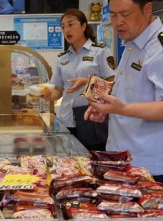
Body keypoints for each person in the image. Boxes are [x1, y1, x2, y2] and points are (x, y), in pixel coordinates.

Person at [84, 0, 163, 194]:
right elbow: (131, 90)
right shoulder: (132, 43)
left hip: (150, 165)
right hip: (122, 158)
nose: (118, 22)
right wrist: (106, 104)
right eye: (113, 15)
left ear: (147, 9)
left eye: (125, 14)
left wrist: (119, 108)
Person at [43, 9, 115, 151]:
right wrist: (47, 95)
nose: (66, 30)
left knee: (92, 161)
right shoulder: (62, 58)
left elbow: (113, 86)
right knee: (69, 162)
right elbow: (58, 91)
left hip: (91, 118)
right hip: (66, 119)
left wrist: (86, 83)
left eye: (71, 24)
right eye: (63, 26)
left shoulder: (100, 52)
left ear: (83, 26)